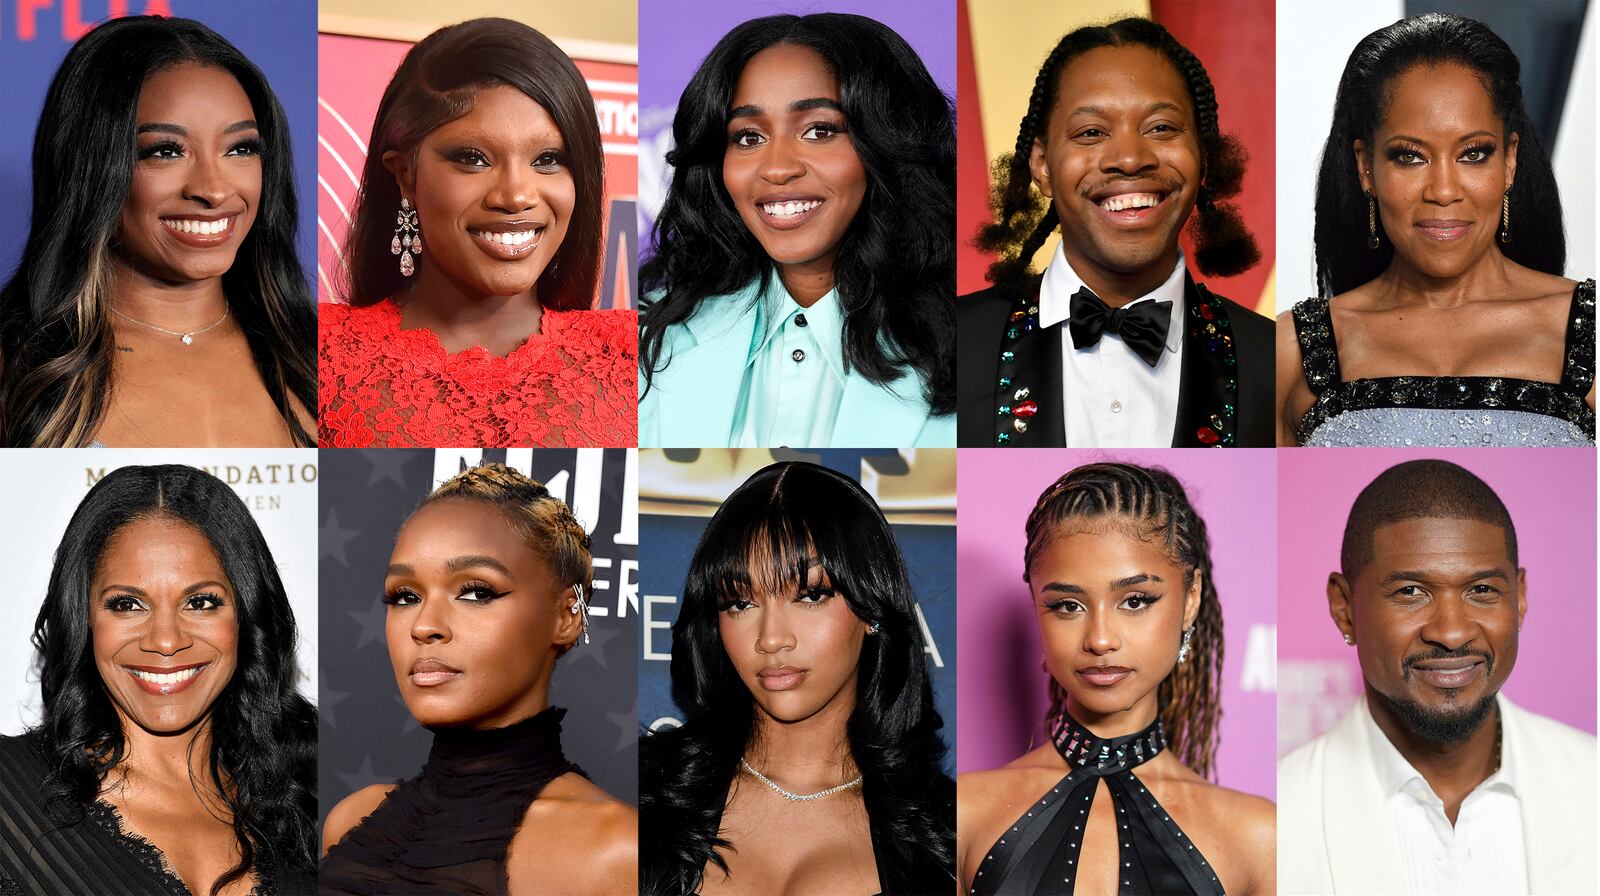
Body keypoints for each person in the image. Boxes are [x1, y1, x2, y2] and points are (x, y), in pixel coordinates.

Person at [1278, 460, 1596, 893]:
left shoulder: (1589, 777)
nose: (1451, 632)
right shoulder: (1280, 813)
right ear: (1344, 608)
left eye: (1482, 590)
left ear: (1519, 599)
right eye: (1410, 591)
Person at [638, 14, 956, 448]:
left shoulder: (971, 337)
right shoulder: (649, 335)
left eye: (819, 130)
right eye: (748, 137)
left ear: (887, 141)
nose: (778, 167)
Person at [317, 19, 636, 449]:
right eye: (473, 158)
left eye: (547, 159)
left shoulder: (635, 354)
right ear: (404, 174)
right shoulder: (315, 351)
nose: (517, 195)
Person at [1279, 13, 1594, 447]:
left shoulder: (1590, 332)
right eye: (1410, 157)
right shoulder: (1290, 350)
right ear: (1365, 167)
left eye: (1473, 154)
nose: (1443, 191)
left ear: (1511, 160)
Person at [958, 463, 1274, 895]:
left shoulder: (1258, 836)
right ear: (1036, 604)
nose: (1100, 639)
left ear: (1190, 599)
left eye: (1136, 600)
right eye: (1068, 605)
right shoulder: (962, 812)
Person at [0, 16, 316, 448]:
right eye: (165, 151)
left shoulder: (316, 354)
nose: (214, 189)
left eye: (240, 148)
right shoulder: (17, 368)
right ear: (91, 169)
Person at [320, 463, 636, 895]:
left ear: (567, 615)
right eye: (405, 596)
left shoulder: (616, 852)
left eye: (476, 592)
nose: (424, 626)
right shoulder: (349, 821)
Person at [639, 462, 954, 895]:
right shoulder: (643, 794)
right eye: (740, 603)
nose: (771, 639)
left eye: (809, 595)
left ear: (870, 609)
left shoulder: (947, 832)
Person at [957, 17, 1273, 449]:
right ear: (1042, 166)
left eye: (1161, 128)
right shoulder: (950, 344)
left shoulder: (1272, 358)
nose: (1128, 158)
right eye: (1091, 132)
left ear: (1204, 157)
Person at [0, 465, 317, 895]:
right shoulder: (8, 789)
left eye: (201, 601)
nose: (166, 641)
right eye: (128, 604)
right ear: (83, 619)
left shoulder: (313, 793)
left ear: (245, 616)